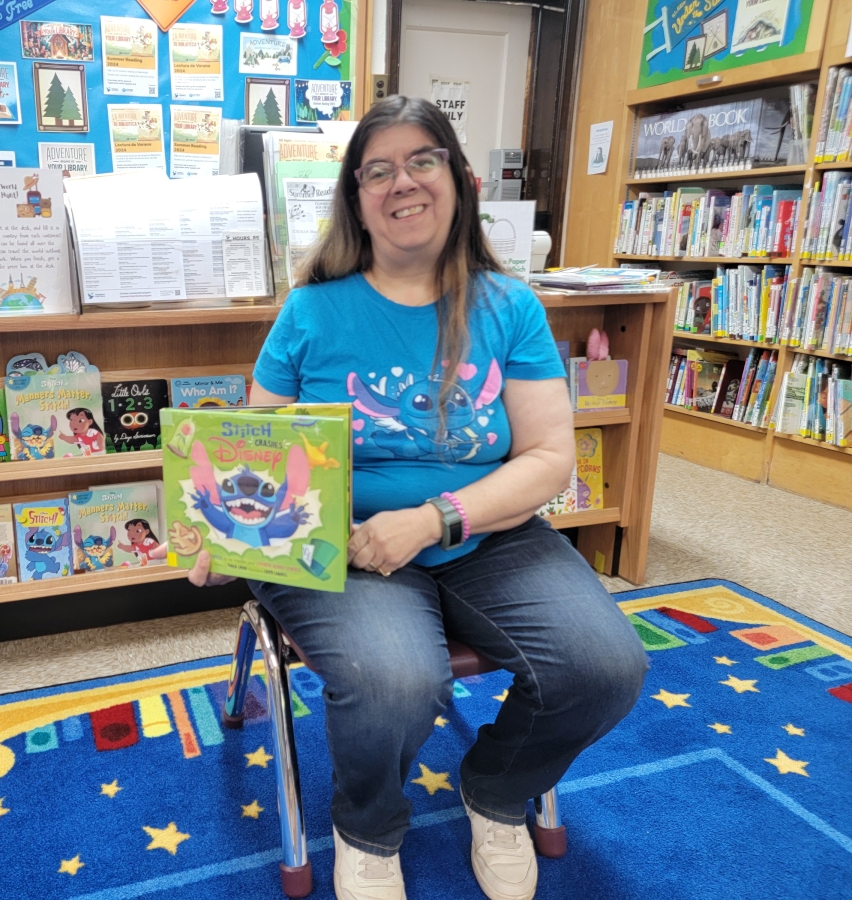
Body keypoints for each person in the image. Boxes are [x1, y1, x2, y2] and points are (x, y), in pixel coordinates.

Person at [171, 96, 648, 900]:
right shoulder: (311, 311)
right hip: (344, 542)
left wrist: (435, 519)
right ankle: (367, 827)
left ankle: (495, 790)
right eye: (378, 170)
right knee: (398, 679)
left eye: (422, 160)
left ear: (459, 178)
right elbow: (259, 460)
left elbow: (548, 458)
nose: (403, 182)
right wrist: (226, 542)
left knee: (607, 667)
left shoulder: (509, 307)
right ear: (355, 198)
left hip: (487, 535)